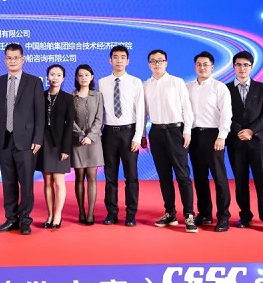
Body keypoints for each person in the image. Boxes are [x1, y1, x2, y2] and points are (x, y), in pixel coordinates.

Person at [0, 43, 44, 235]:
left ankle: (25, 220)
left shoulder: (34, 82)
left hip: (27, 141)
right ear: (4, 60)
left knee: (26, 183)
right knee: (8, 182)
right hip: (4, 141)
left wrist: (38, 138)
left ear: (23, 59)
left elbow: (39, 112)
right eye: (9, 58)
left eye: (16, 58)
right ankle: (11, 218)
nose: (12, 61)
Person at [142, 49, 197, 233]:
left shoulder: (177, 82)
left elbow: (187, 108)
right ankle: (170, 213)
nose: (157, 64)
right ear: (149, 64)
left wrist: (187, 131)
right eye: (153, 61)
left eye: (160, 60)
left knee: (182, 175)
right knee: (164, 176)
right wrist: (142, 134)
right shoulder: (145, 85)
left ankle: (189, 215)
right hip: (156, 132)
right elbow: (143, 112)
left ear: (166, 63)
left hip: (176, 131)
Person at [226, 51, 263, 233]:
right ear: (233, 67)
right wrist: (238, 131)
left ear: (251, 67)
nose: (242, 68)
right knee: (240, 181)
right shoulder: (225, 89)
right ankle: (245, 216)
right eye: (238, 65)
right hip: (236, 142)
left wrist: (251, 130)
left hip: (258, 142)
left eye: (246, 65)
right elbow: (222, 113)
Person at [98, 46, 144, 227]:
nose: (119, 60)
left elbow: (140, 111)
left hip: (128, 132)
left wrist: (138, 136)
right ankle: (111, 213)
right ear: (110, 60)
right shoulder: (102, 82)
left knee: (131, 176)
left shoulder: (135, 82)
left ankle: (131, 214)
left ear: (128, 61)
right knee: (110, 176)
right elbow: (100, 111)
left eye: (122, 57)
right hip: (109, 133)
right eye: (115, 57)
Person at [186, 52, 232, 232]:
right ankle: (205, 213)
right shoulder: (187, 87)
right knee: (199, 177)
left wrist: (222, 136)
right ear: (194, 66)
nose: (202, 67)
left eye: (205, 64)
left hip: (214, 135)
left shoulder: (219, 87)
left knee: (219, 178)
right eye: (198, 64)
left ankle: (223, 217)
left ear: (212, 67)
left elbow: (226, 114)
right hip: (193, 135)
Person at [37, 65, 74, 229]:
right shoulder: (40, 96)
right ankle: (50, 214)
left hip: (60, 144)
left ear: (63, 78)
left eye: (59, 75)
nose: (55, 77)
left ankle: (58, 215)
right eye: (52, 74)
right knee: (47, 181)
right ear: (47, 77)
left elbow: (69, 124)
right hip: (44, 143)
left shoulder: (67, 98)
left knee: (59, 180)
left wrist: (66, 148)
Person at [71, 64, 104, 226]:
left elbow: (99, 119)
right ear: (76, 78)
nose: (83, 78)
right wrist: (80, 135)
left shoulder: (98, 96)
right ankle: (81, 211)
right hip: (77, 142)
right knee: (79, 177)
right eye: (80, 75)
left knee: (92, 177)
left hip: (94, 142)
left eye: (86, 75)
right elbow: (69, 120)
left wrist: (90, 136)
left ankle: (90, 213)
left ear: (91, 77)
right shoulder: (70, 96)